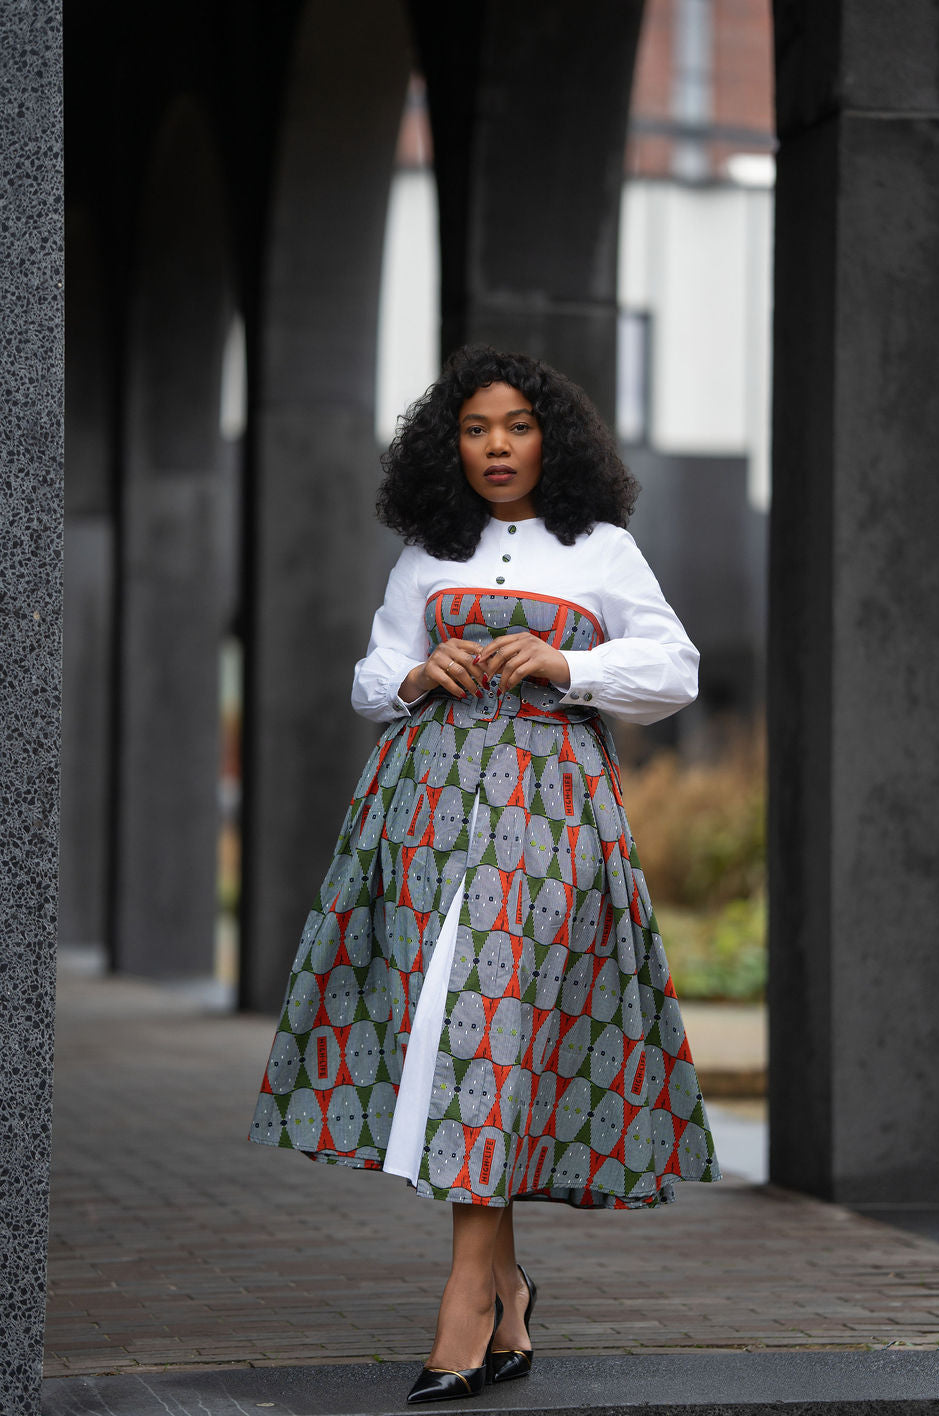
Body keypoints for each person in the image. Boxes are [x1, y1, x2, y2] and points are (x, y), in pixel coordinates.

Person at [248, 345, 721, 1403]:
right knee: (452, 1038)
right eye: (473, 429)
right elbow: (374, 674)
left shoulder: (599, 550)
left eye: (514, 425)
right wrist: (419, 671)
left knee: (492, 1026)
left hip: (549, 815)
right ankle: (505, 1285)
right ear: (446, 446)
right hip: (422, 812)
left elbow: (675, 669)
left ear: (549, 437)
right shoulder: (426, 556)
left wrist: (570, 666)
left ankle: (465, 1304)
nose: (496, 446)